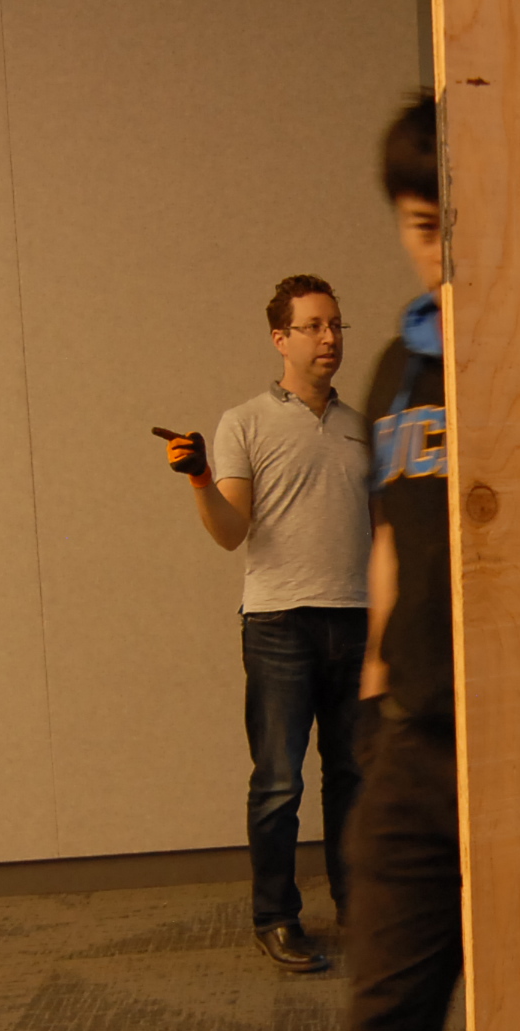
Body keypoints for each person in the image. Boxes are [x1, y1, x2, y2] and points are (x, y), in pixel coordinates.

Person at [162, 94, 450, 1031]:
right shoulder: (393, 377)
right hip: (405, 733)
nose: (443, 253)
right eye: (424, 226)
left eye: (464, 222)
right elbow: (383, 544)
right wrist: (390, 697)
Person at [156, 273, 374, 973]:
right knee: (279, 782)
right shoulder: (244, 422)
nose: (329, 338)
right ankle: (275, 918)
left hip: (355, 619)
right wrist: (200, 478)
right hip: (279, 624)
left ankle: (358, 907)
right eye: (313, 326)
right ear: (281, 339)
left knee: (353, 777)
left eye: (336, 325)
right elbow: (230, 532)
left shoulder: (360, 428)